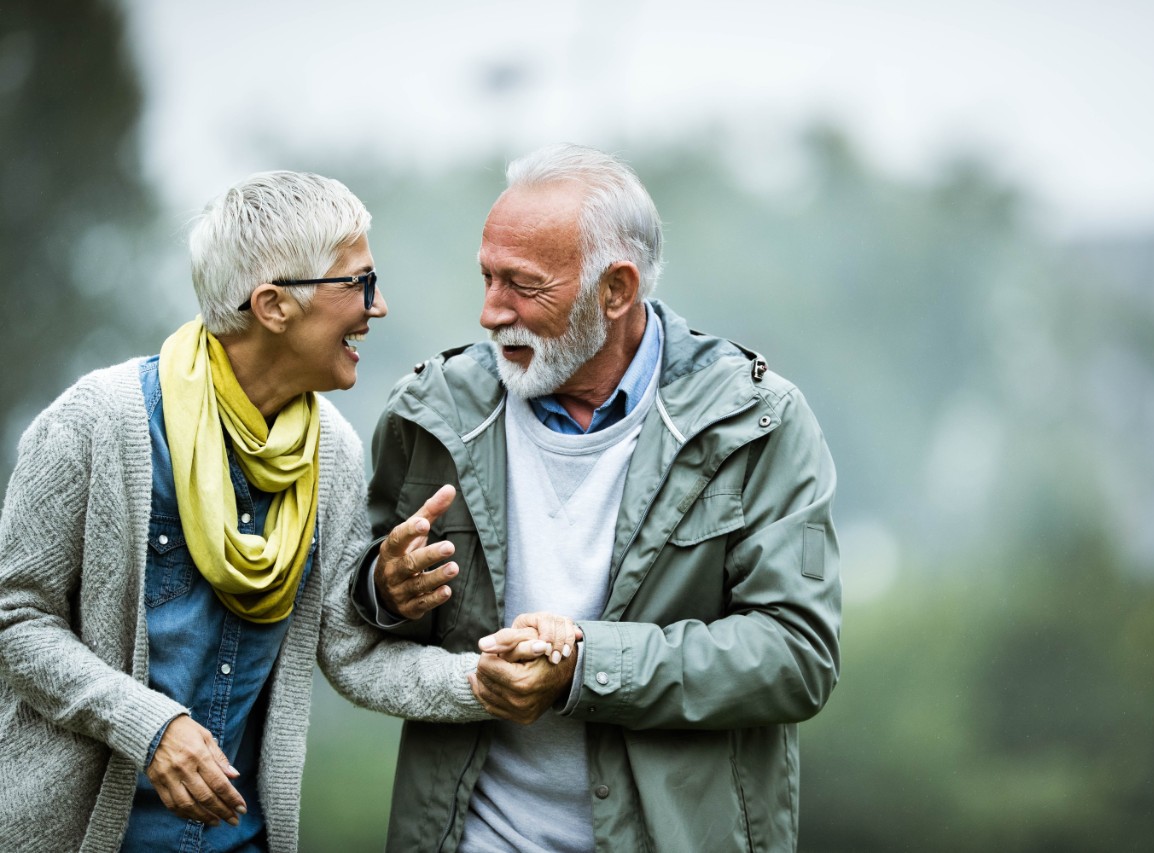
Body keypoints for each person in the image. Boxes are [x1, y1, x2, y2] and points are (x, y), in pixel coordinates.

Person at [0, 171, 536, 852]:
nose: (379, 307)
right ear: (274, 305)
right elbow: (15, 616)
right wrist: (150, 725)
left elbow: (352, 653)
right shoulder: (94, 423)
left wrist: (486, 679)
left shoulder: (332, 454)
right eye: (361, 284)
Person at [354, 144, 843, 852]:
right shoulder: (427, 413)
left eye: (523, 285)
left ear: (616, 290)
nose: (492, 313)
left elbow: (797, 655)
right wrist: (384, 588)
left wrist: (588, 666)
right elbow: (361, 624)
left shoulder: (758, 420)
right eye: (487, 278)